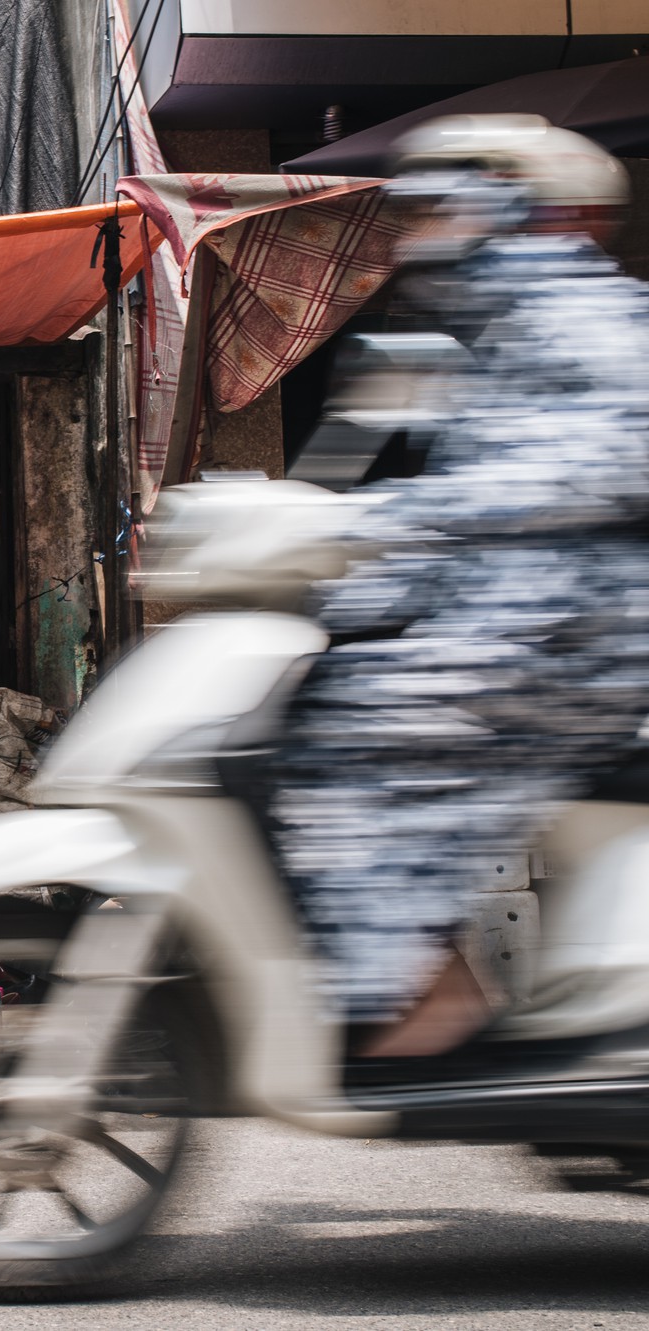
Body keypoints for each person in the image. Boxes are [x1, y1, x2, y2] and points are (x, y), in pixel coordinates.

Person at [267, 116, 649, 1059]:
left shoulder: (584, 310)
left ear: (525, 209)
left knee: (365, 729)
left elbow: (591, 466)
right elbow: (382, 484)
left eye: (446, 205)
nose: (423, 233)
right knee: (328, 696)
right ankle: (419, 977)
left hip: (579, 629)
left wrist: (378, 526)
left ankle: (427, 993)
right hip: (524, 620)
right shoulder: (473, 338)